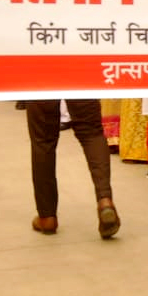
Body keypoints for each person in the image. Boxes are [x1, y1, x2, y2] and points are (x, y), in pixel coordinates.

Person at [27, 98, 121, 238]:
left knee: (43, 140)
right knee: (92, 133)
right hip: (78, 76)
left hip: (41, 78)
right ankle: (104, 199)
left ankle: (47, 217)